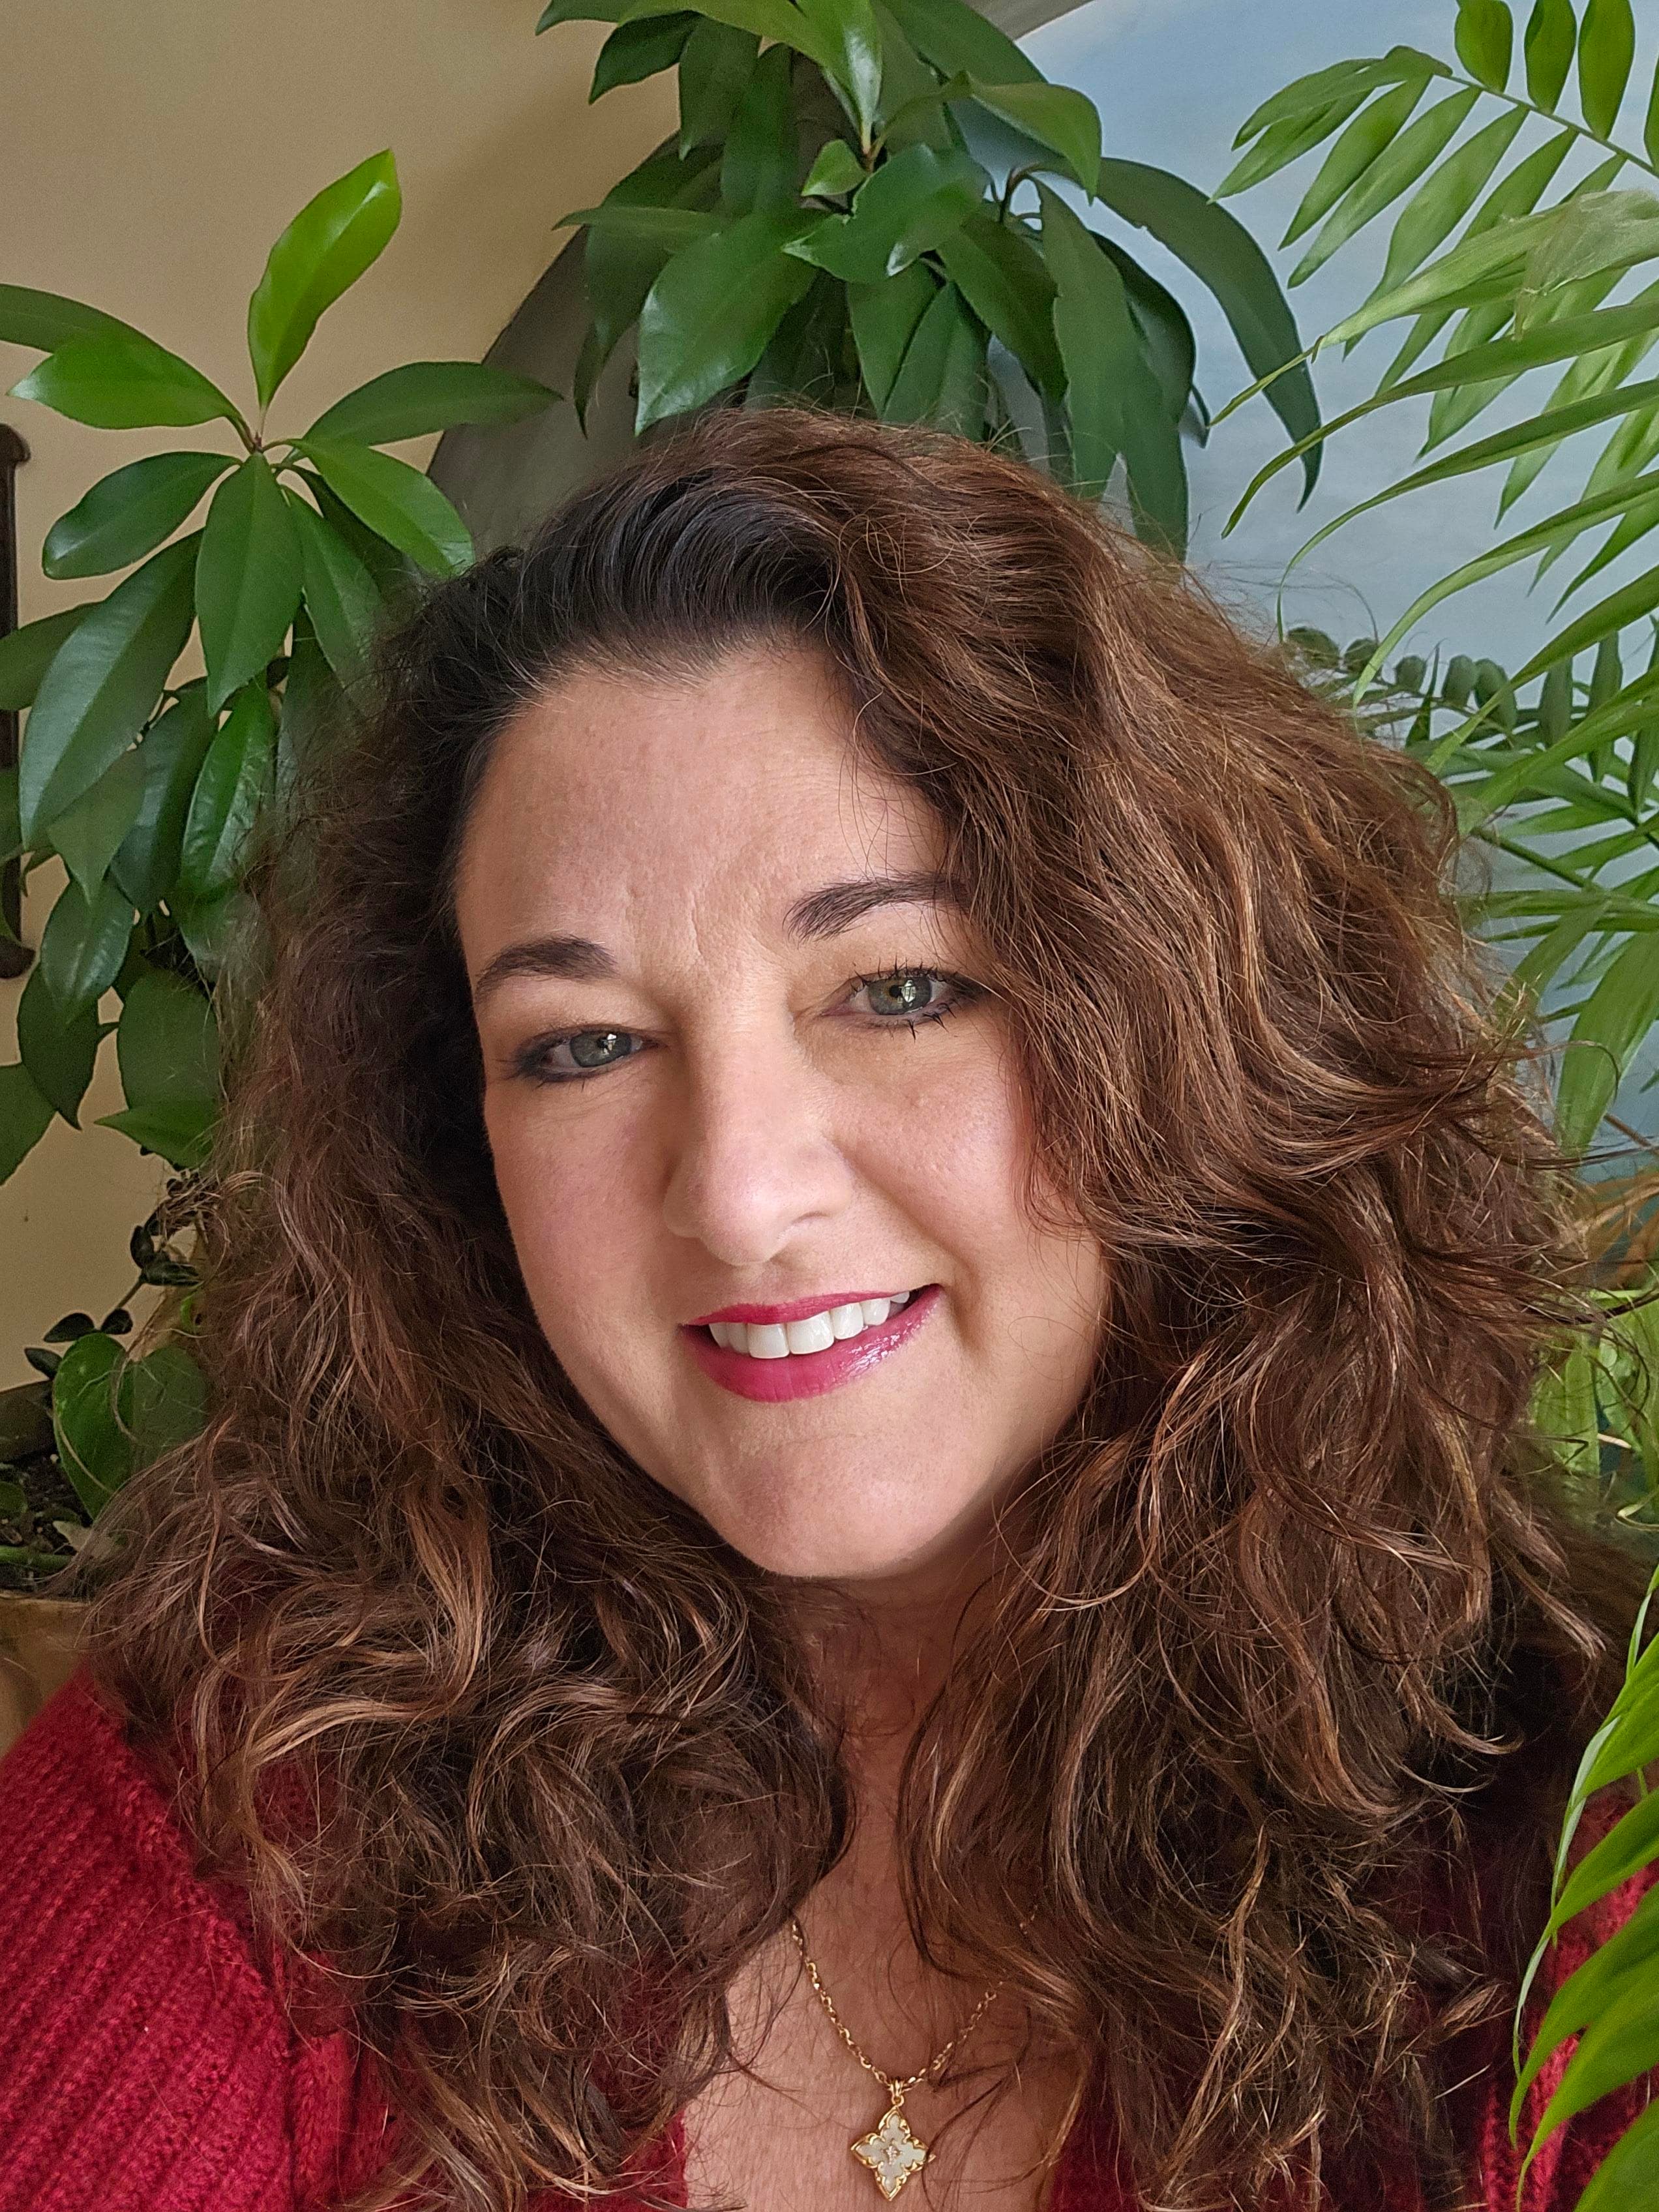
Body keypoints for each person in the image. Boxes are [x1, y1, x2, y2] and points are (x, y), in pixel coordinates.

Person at [0, 404, 1652, 2212]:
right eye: (584, 1043)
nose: (735, 1190)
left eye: (899, 987)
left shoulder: (1566, 1849)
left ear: (1194, 1028)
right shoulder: (252, 1782)